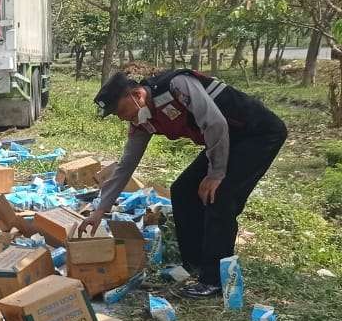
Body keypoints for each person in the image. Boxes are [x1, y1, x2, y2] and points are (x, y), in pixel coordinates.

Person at [78, 69, 287, 298]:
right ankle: (195, 263)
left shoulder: (178, 86)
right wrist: (100, 209)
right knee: (182, 191)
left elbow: (215, 123)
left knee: (220, 196)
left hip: (256, 134)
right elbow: (126, 166)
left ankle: (214, 280)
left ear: (137, 96)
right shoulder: (141, 121)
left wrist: (216, 175)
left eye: (120, 111)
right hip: (222, 139)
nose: (121, 118)